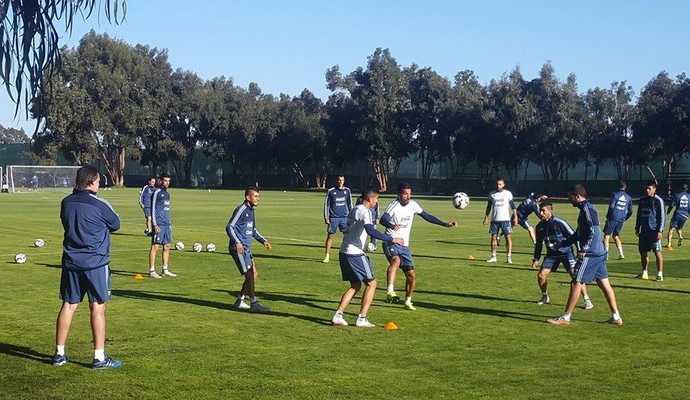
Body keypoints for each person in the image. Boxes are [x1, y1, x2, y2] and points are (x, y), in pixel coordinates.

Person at [53, 165, 122, 369]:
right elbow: (116, 224)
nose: (100, 184)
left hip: (71, 261)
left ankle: (59, 353)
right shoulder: (99, 204)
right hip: (96, 263)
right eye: (99, 180)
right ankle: (99, 357)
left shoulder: (66, 202)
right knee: (98, 306)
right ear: (92, 181)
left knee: (68, 305)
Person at [548, 184, 623, 326]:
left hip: (591, 254)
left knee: (576, 282)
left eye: (571, 197)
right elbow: (578, 234)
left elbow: (594, 232)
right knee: (604, 284)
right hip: (599, 252)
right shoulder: (584, 209)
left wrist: (584, 249)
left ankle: (566, 317)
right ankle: (616, 317)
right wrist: (562, 244)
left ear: (578, 196)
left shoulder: (588, 209)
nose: (570, 200)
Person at [331, 186, 404, 327]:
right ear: (370, 198)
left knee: (356, 285)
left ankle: (338, 315)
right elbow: (370, 230)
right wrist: (391, 239)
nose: (376, 202)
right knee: (372, 284)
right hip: (355, 253)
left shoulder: (354, 209)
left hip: (343, 252)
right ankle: (362, 318)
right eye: (376, 199)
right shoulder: (366, 211)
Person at [379, 182, 457, 310]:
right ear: (399, 194)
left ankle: (408, 301)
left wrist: (445, 224)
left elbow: (427, 216)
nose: (408, 196)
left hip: (405, 245)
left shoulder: (413, 205)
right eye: (405, 194)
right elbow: (383, 219)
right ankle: (390, 292)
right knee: (395, 261)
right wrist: (391, 226)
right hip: (391, 241)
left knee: (411, 276)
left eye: (410, 193)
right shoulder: (394, 205)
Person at [531, 201, 592, 310]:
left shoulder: (560, 222)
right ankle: (545, 296)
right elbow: (539, 244)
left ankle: (587, 299)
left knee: (575, 277)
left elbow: (575, 236)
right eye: (540, 211)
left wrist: (579, 250)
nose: (540, 213)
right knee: (541, 275)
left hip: (566, 254)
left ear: (550, 211)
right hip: (551, 255)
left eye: (543, 211)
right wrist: (536, 258)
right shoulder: (539, 226)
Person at [226, 187, 272, 313]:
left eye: (258, 196)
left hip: (246, 248)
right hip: (239, 249)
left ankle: (240, 300)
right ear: (248, 197)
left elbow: (253, 230)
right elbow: (229, 226)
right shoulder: (241, 209)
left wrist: (264, 241)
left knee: (253, 274)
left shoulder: (251, 211)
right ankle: (254, 303)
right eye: (255, 196)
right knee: (250, 274)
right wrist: (237, 242)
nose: (258, 199)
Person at [635, 181, 665, 281]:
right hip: (644, 231)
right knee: (643, 252)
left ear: (654, 189)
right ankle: (644, 272)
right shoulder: (642, 200)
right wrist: (637, 226)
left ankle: (659, 274)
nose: (647, 190)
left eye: (649, 188)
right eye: (646, 188)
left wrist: (660, 230)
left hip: (654, 231)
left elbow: (662, 216)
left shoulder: (658, 200)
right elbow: (639, 214)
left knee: (657, 252)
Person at [483, 178, 518, 263]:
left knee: (508, 238)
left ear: (503, 185)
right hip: (495, 220)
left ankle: (509, 257)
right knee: (493, 237)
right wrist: (486, 217)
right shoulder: (492, 194)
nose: (498, 186)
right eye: (497, 184)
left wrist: (515, 217)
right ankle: (493, 256)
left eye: (500, 184)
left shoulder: (508, 193)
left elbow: (513, 206)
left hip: (505, 220)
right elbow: (489, 207)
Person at [148, 173, 176, 278]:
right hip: (158, 224)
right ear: (160, 181)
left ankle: (165, 269)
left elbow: (167, 210)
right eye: (165, 181)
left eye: (168, 181)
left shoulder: (168, 194)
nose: (167, 183)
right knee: (155, 246)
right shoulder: (157, 193)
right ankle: (152, 271)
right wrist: (154, 224)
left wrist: (169, 223)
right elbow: (153, 208)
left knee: (167, 246)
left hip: (166, 224)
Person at [322, 175, 353, 263]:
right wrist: (326, 216)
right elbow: (327, 204)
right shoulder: (331, 191)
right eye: (339, 180)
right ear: (337, 181)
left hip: (344, 217)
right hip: (334, 217)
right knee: (330, 236)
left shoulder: (347, 191)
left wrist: (352, 216)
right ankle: (327, 255)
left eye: (342, 180)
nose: (341, 182)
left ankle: (348, 255)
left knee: (347, 236)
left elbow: (350, 204)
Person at [603, 181, 633, 260]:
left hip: (613, 218)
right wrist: (625, 218)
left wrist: (608, 215)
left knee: (607, 236)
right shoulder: (629, 197)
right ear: (625, 187)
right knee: (616, 236)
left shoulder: (615, 195)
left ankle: (606, 255)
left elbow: (612, 206)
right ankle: (621, 253)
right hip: (621, 219)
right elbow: (631, 211)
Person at [666, 183, 689, 250]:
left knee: (671, 228)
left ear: (680, 188)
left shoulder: (677, 195)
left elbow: (672, 204)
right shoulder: (689, 196)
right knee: (679, 228)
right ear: (687, 189)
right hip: (685, 215)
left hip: (678, 213)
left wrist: (668, 211)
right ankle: (680, 236)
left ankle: (669, 244)